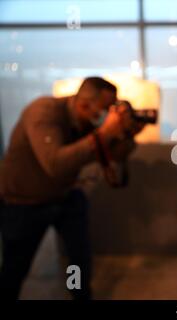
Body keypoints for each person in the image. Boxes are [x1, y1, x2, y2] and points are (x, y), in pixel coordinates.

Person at [0, 77, 144, 300]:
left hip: (66, 194)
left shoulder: (89, 121)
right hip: (25, 201)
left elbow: (115, 157)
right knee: (15, 268)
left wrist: (127, 134)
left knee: (78, 261)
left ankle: (79, 294)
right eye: (107, 109)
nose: (110, 115)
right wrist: (105, 133)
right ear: (85, 105)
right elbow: (55, 164)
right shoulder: (44, 112)